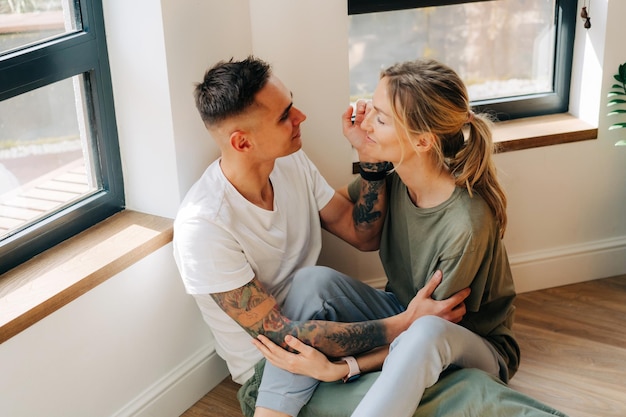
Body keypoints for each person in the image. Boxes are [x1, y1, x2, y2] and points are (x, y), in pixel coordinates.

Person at [172, 56, 470, 417]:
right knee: (440, 398)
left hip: (333, 333)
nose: (301, 117)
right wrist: (404, 324)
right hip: (276, 369)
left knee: (434, 378)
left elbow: (362, 235)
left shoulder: (288, 162)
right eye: (284, 116)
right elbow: (282, 337)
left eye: (291, 105)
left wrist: (369, 159)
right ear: (242, 142)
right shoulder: (203, 227)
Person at [253, 58, 520, 417]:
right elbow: (339, 207)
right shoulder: (396, 178)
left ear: (422, 140)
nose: (364, 122)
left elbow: (428, 329)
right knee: (311, 280)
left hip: (469, 346)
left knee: (423, 334)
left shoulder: (466, 226)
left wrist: (342, 367)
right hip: (406, 311)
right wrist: (366, 155)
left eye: (379, 118)